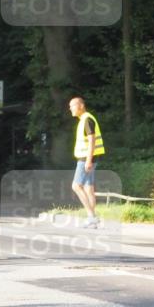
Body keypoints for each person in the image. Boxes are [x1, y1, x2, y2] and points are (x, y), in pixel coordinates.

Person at [68, 96, 104, 228]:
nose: (70, 108)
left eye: (73, 106)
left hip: (86, 158)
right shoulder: (84, 120)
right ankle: (92, 220)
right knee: (89, 188)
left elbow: (92, 140)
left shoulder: (87, 120)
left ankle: (91, 216)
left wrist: (88, 160)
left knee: (76, 186)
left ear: (81, 106)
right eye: (70, 106)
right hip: (89, 158)